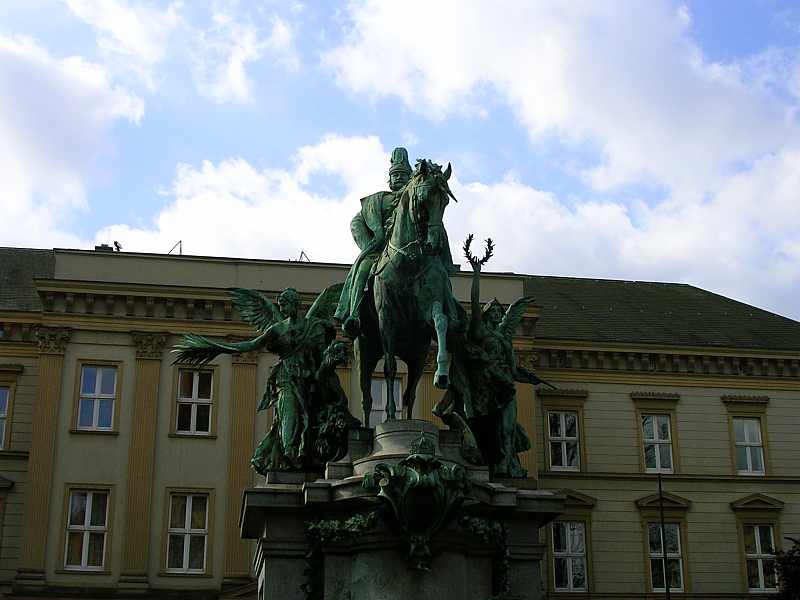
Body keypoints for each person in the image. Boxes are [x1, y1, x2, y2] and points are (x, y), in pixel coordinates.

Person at [335, 147, 414, 338]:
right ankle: (353, 314)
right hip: (381, 253)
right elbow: (356, 222)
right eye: (394, 175)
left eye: (403, 174)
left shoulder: (416, 197)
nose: (398, 178)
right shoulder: (378, 200)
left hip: (413, 252)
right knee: (363, 269)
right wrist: (369, 244)